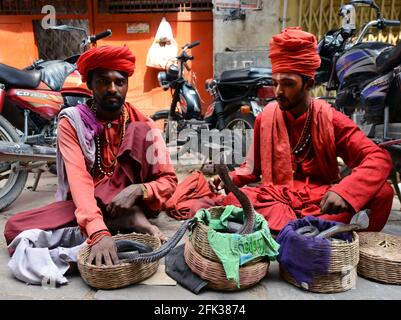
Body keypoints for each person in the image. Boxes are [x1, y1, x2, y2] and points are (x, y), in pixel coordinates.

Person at [4, 45, 177, 266]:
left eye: (119, 82)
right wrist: (97, 232)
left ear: (126, 86)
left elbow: (169, 181)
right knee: (14, 228)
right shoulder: (72, 123)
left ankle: (129, 216)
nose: (112, 88)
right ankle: (124, 222)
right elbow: (79, 182)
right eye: (103, 81)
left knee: (139, 132)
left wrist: (138, 190)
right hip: (88, 201)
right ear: (90, 85)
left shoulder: (144, 123)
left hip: (130, 201)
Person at [210, 27, 394, 232]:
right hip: (276, 199)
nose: (278, 91)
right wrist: (230, 178)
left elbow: (378, 157)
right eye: (275, 83)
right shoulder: (266, 117)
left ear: (309, 83)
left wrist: (345, 191)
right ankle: (310, 234)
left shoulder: (331, 119)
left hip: (319, 203)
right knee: (232, 200)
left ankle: (296, 234)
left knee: (383, 192)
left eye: (287, 84)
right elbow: (252, 168)